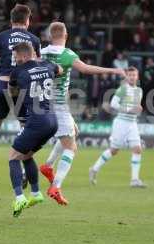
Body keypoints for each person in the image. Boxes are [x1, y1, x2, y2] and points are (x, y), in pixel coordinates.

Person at [38, 22, 125, 205]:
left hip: (42, 103)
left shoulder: (41, 52)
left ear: (50, 35)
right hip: (59, 105)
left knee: (73, 132)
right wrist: (113, 70)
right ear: (65, 35)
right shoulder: (67, 54)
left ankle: (47, 166)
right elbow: (86, 69)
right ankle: (56, 186)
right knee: (71, 148)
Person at [0, 4, 41, 187]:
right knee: (25, 127)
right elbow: (37, 65)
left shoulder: (1, 36)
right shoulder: (34, 39)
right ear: (27, 20)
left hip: (3, 84)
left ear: (11, 20)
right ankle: (26, 169)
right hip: (22, 87)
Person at [7, 42, 62, 217]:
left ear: (23, 56)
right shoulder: (48, 65)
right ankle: (36, 193)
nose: (15, 61)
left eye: (16, 58)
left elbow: (13, 90)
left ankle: (19, 197)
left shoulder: (18, 71)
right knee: (27, 155)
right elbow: (60, 69)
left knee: (13, 157)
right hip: (53, 122)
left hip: (36, 121)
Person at [89, 67, 146, 188]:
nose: (132, 77)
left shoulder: (139, 91)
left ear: (137, 77)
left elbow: (136, 107)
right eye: (130, 75)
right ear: (127, 76)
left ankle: (134, 180)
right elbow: (113, 104)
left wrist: (138, 110)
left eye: (134, 75)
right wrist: (129, 110)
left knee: (137, 149)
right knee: (114, 150)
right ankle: (94, 169)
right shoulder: (123, 89)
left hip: (133, 123)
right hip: (121, 123)